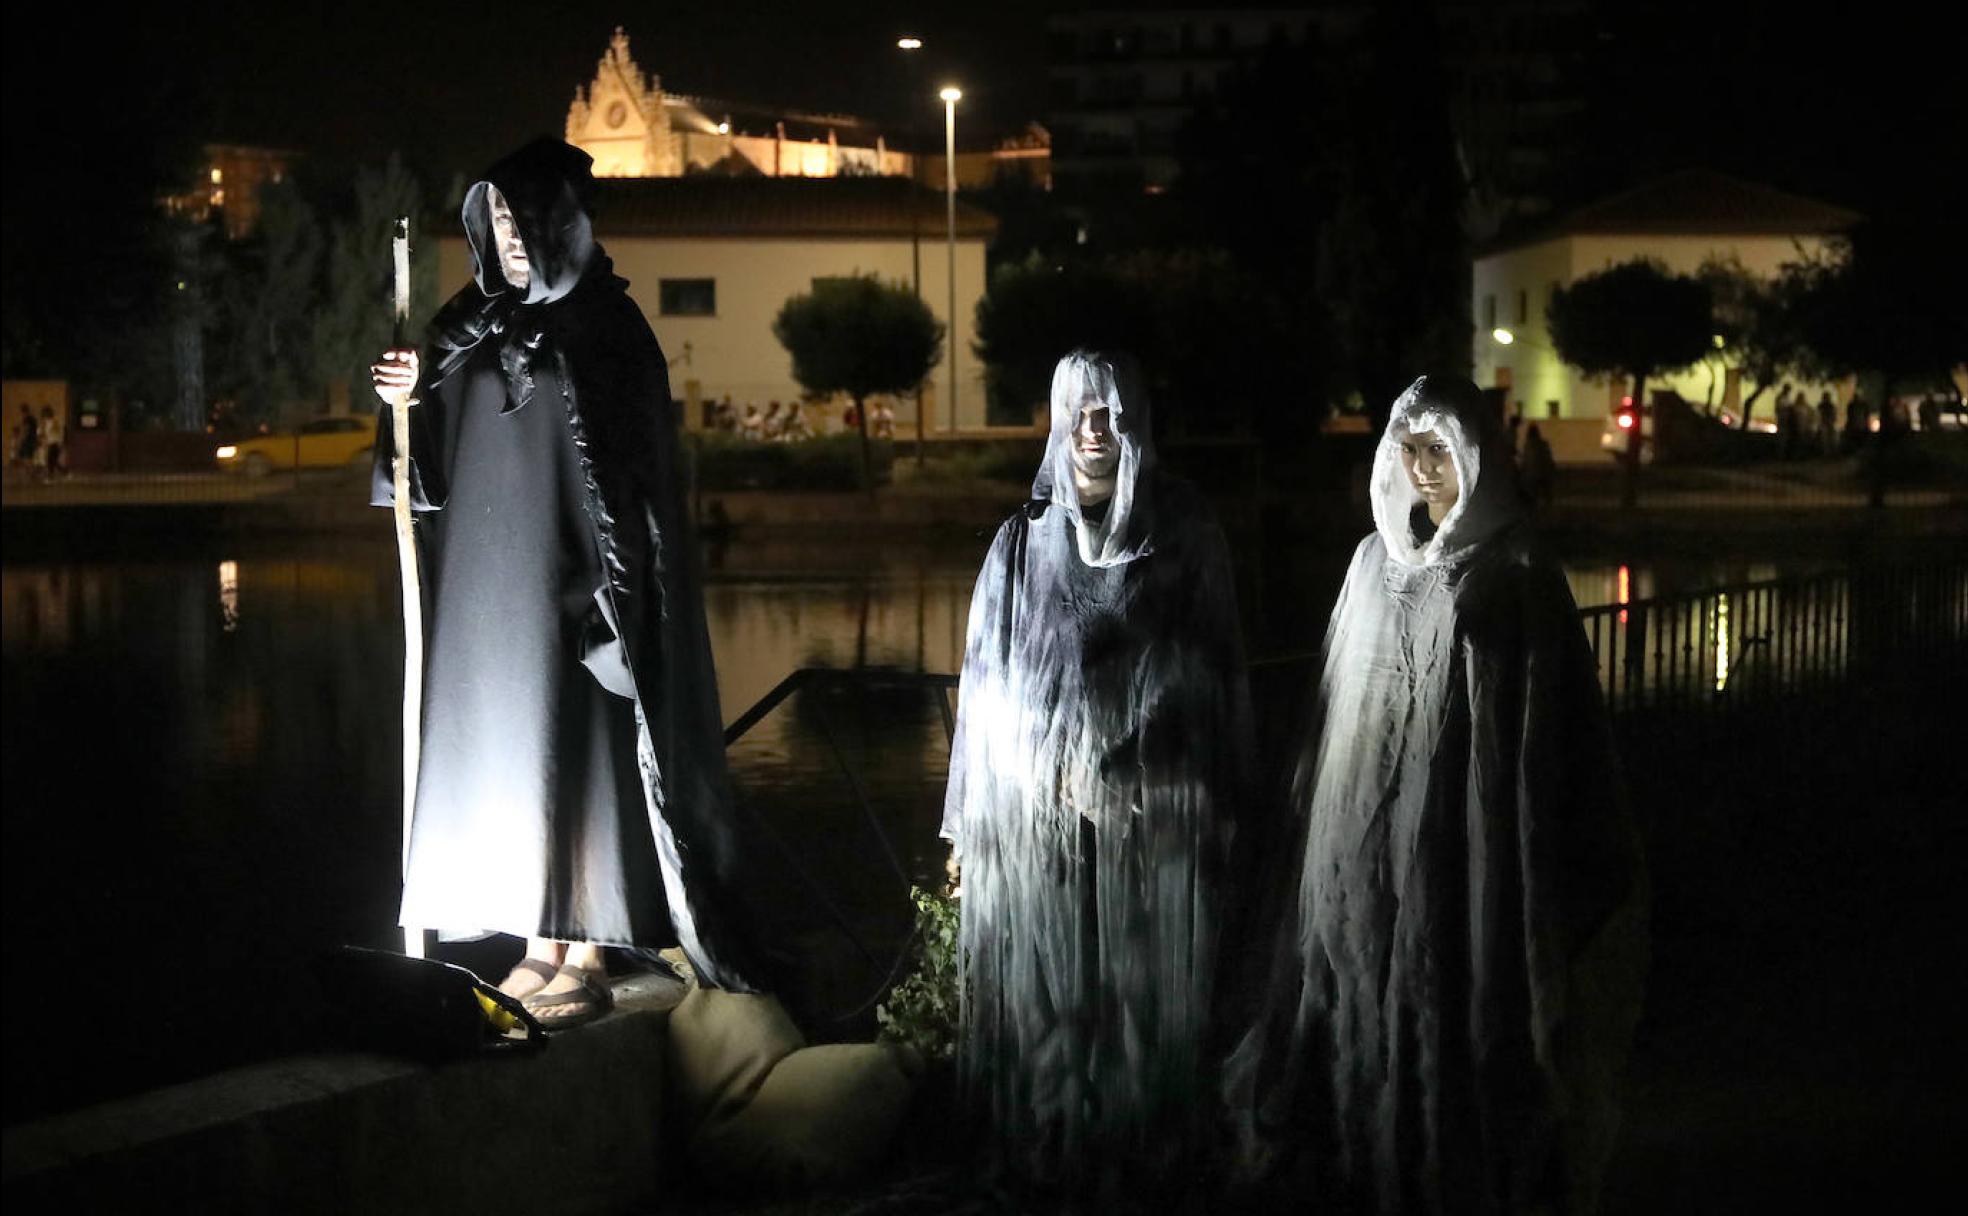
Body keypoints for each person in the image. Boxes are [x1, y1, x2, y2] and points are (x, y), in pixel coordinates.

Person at [369, 137, 767, 1027]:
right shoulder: (469, 324)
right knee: (514, 748)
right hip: (492, 582)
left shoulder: (609, 329)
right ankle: (535, 942)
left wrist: (618, 594)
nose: (509, 235)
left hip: (584, 586)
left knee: (581, 750)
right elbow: (423, 447)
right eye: (496, 219)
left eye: (522, 217)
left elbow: (636, 479)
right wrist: (404, 394)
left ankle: (588, 947)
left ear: (563, 222)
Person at [1228, 374, 1646, 1214]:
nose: (1423, 467)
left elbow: (1547, 725)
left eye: (1440, 450)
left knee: (1443, 986)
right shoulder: (1371, 565)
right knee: (1357, 984)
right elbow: (1339, 703)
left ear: (1475, 454)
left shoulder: (1517, 571)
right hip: (1363, 837)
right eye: (1410, 450)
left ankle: (1436, 1154)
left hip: (1460, 834)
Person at [942, 349, 1251, 1196]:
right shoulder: (1021, 544)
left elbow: (1214, 670)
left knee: (1138, 996)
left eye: (1108, 410)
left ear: (1135, 419)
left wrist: (1151, 763)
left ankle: (1135, 1156)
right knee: (1050, 993)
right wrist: (971, 821)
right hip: (1038, 827)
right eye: (1077, 410)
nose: (1093, 428)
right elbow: (985, 684)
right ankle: (1052, 1150)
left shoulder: (1183, 535)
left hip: (1148, 826)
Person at [1519, 420, 1556, 509]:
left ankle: (1533, 504)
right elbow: (1548, 458)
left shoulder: (1528, 445)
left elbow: (1525, 461)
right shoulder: (1543, 444)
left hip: (1532, 474)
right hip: (1543, 472)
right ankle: (1548, 503)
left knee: (1532, 489)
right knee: (1546, 489)